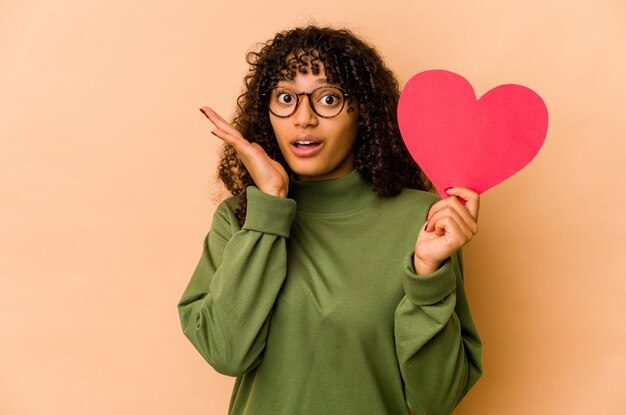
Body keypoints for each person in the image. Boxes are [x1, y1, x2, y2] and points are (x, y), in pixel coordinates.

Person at [178, 25, 482, 415]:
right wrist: (270, 206)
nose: (303, 118)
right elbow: (225, 353)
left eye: (328, 99)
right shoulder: (241, 218)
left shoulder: (426, 222)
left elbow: (436, 400)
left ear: (364, 112)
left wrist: (426, 272)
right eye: (286, 98)